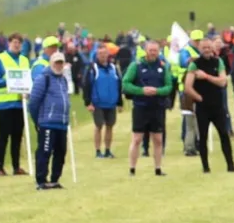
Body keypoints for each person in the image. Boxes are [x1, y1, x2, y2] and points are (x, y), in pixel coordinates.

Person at [184, 40, 234, 172]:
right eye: (204, 47)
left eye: (208, 47)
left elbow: (222, 82)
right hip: (202, 107)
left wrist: (206, 76)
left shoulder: (218, 62)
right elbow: (188, 87)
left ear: (212, 48)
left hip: (217, 105)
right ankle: (205, 167)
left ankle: (230, 165)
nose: (206, 49)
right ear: (200, 49)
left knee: (224, 135)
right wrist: (198, 98)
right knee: (203, 136)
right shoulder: (194, 65)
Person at [122, 41, 173, 176]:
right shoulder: (136, 66)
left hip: (157, 108)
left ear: (159, 51)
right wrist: (141, 91)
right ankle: (132, 169)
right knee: (137, 139)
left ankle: (158, 168)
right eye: (150, 50)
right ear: (146, 51)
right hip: (140, 107)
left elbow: (169, 86)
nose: (153, 53)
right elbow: (126, 83)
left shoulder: (163, 66)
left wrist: (157, 91)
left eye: (155, 50)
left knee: (158, 139)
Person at [28, 52, 71, 190]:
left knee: (61, 152)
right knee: (45, 151)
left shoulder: (63, 80)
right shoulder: (43, 78)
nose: (58, 65)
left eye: (61, 63)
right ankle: (41, 180)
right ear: (51, 63)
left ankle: (54, 179)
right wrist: (38, 121)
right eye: (56, 62)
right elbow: (33, 102)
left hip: (62, 123)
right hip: (47, 122)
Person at [0, 33, 30, 176]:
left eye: (19, 42)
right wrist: (8, 83)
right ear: (9, 43)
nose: (17, 44)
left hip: (19, 103)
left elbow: (27, 80)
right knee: (4, 136)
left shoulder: (25, 60)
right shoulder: (1, 59)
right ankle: (0, 167)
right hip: (4, 103)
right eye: (14, 42)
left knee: (17, 136)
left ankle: (16, 166)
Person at [84, 45, 123, 158]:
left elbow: (119, 85)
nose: (103, 56)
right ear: (97, 55)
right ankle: (97, 151)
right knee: (99, 126)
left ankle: (107, 150)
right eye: (100, 54)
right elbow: (87, 86)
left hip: (111, 103)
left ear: (108, 54)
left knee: (110, 126)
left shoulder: (114, 68)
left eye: (104, 53)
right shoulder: (93, 68)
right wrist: (88, 103)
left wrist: (119, 103)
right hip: (98, 103)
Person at [179, 30, 204, 156]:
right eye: (196, 40)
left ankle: (196, 143)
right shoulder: (185, 51)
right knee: (189, 121)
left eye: (200, 40)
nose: (198, 43)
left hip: (199, 88)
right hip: (187, 88)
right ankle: (189, 145)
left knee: (198, 121)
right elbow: (184, 62)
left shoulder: (201, 51)